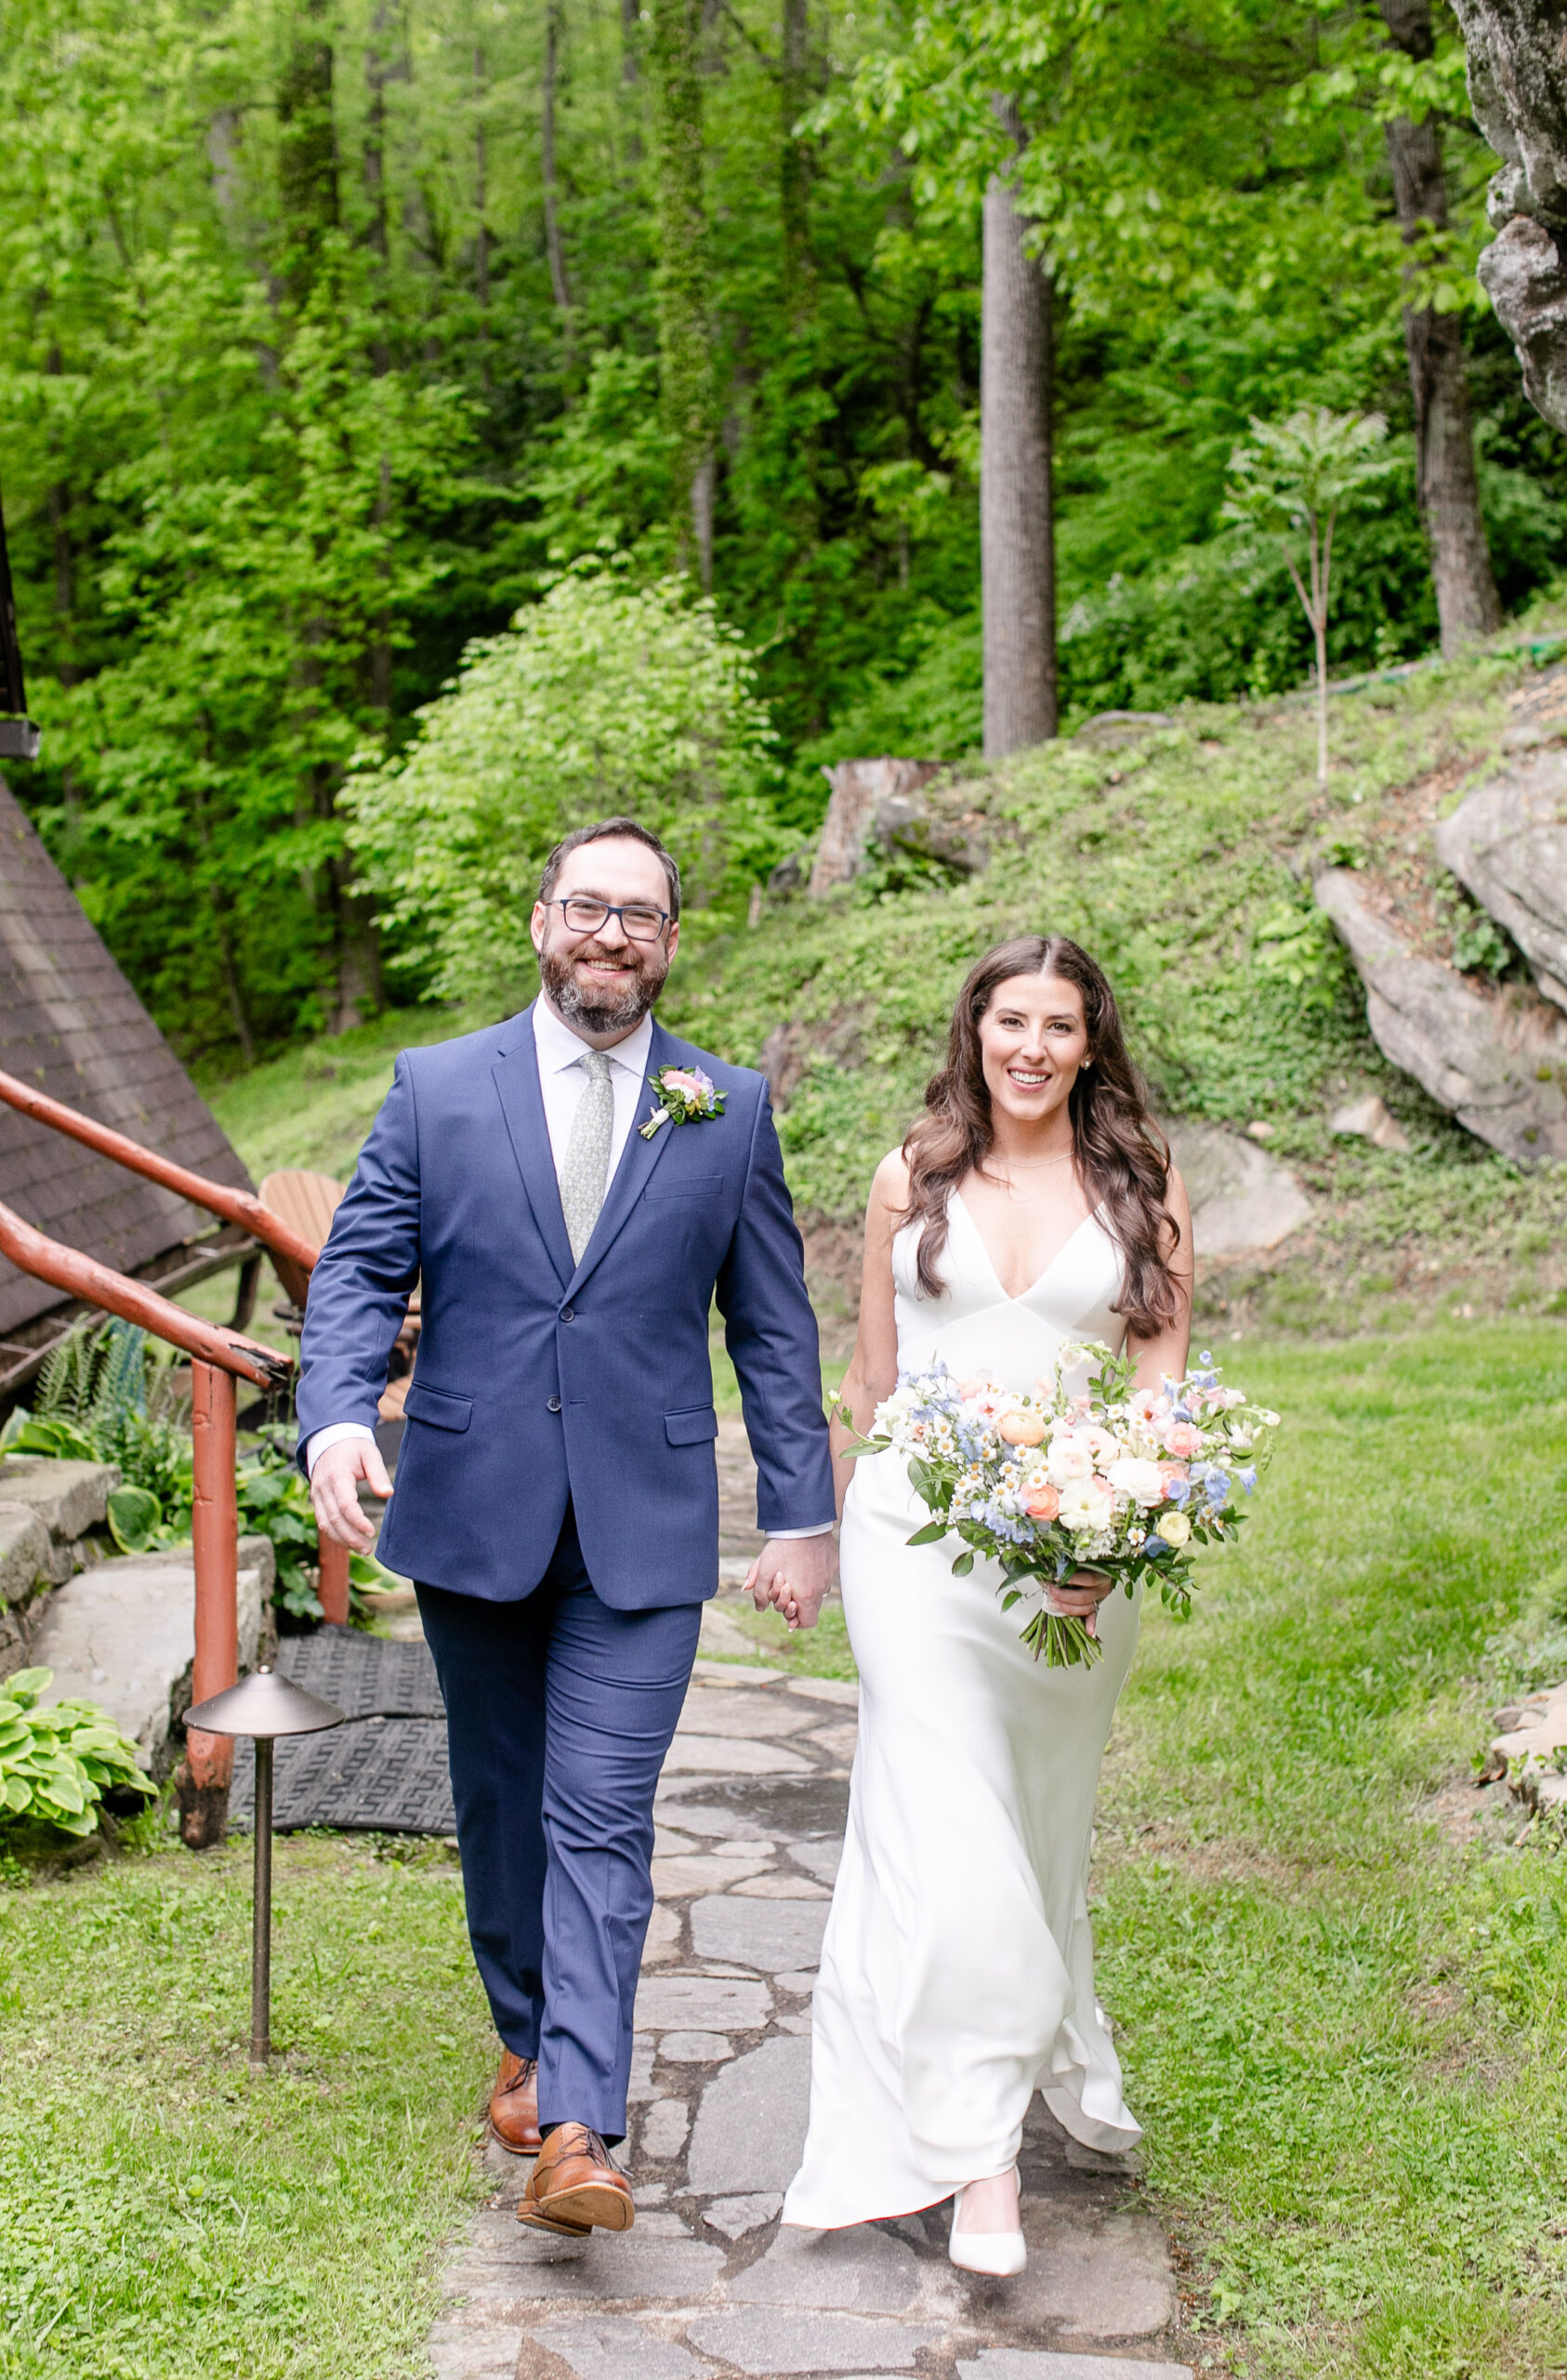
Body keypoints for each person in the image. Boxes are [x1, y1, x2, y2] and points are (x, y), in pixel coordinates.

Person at [297, 817, 836, 2240]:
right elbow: (359, 1269)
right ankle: (529, 2036)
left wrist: (801, 1516)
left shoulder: (726, 1106)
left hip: (644, 1529)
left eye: (641, 916)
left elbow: (773, 1331)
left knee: (601, 1812)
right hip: (472, 1512)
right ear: (541, 922)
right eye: (589, 908)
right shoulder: (435, 1089)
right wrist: (339, 1414)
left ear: (669, 943)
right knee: (499, 1804)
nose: (613, 935)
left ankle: (580, 2125)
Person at [779, 933, 1192, 2275]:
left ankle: (1026, 2053)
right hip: (920, 1539)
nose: (1031, 1047)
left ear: (1090, 1043)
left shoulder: (1143, 1182)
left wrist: (1115, 1537)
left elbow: (1160, 1391)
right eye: (1010, 1020)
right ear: (976, 1031)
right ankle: (979, 2161)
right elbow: (874, 1381)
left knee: (1033, 1835)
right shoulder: (914, 1174)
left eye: (1059, 1026)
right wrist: (840, 1534)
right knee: (950, 1823)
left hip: (1075, 1559)